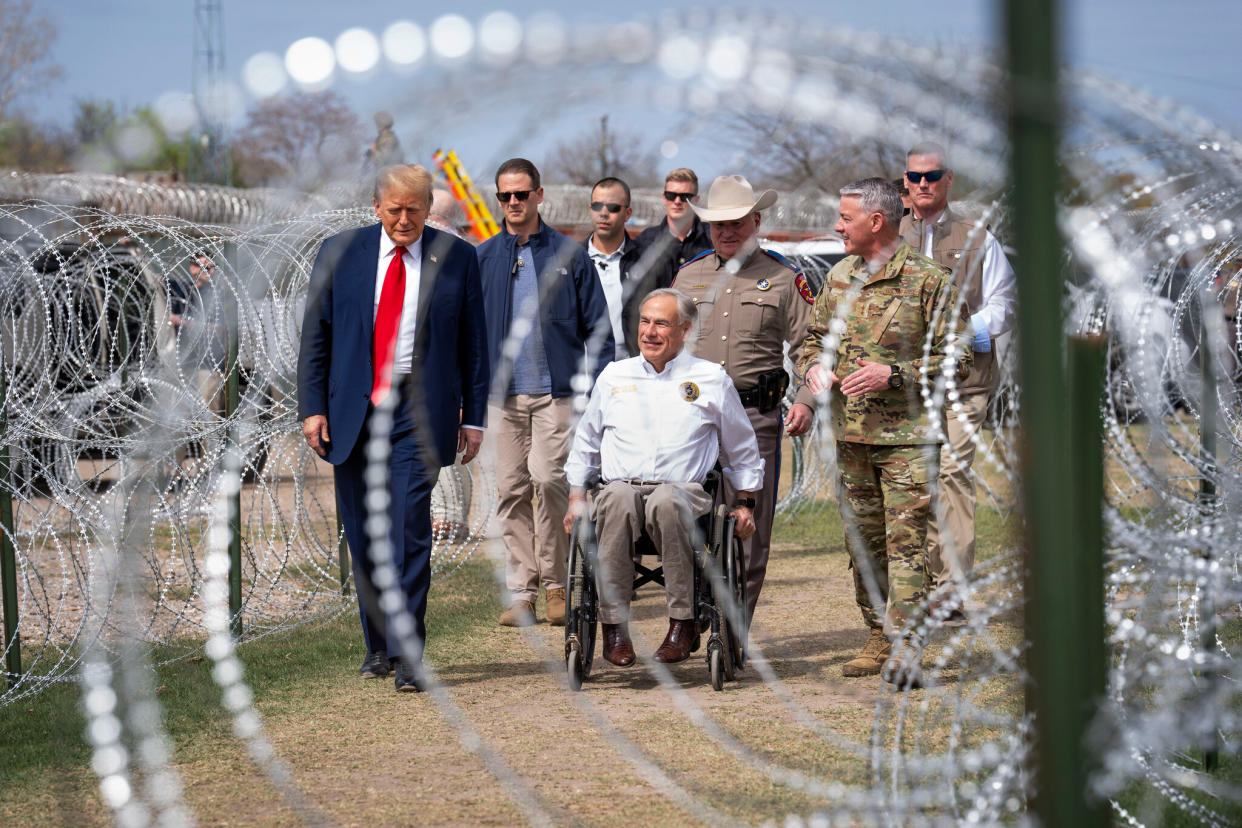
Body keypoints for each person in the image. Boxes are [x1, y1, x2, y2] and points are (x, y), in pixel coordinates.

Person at [297, 164, 488, 692]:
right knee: (363, 532)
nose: (404, 220)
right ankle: (377, 644)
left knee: (408, 528)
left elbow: (475, 345)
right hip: (353, 409)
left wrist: (473, 417)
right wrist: (312, 407)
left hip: (418, 410)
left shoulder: (457, 259)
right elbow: (317, 335)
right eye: (395, 210)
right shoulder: (341, 252)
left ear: (430, 210)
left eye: (415, 210)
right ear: (376, 208)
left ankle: (409, 653)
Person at [799, 177, 971, 689]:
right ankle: (878, 634)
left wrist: (894, 374)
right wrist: (813, 370)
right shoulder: (839, 277)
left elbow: (959, 357)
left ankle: (909, 645)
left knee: (907, 544)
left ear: (876, 221)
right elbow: (811, 341)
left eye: (845, 218)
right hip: (850, 437)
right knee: (864, 543)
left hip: (908, 440)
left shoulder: (928, 281)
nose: (837, 226)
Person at [563, 289, 763, 665]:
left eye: (661, 323)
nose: (650, 331)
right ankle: (615, 628)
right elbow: (586, 442)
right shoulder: (614, 376)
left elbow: (741, 445)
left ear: (685, 330)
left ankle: (682, 623)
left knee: (667, 501)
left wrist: (746, 502)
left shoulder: (710, 378)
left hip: (684, 493)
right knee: (618, 499)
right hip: (620, 489)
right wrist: (576, 497)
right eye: (644, 321)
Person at [673, 174, 817, 624]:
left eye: (736, 222)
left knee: (748, 525)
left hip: (755, 417)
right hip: (692, 419)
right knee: (681, 516)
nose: (727, 232)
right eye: (718, 225)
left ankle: (733, 627)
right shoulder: (687, 275)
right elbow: (666, 347)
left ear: (755, 220)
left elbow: (811, 346)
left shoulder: (782, 278)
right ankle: (689, 614)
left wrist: (808, 399)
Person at [477, 158, 614, 628]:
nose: (513, 203)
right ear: (499, 200)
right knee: (510, 490)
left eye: (521, 194)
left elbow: (598, 328)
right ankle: (523, 593)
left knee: (550, 481)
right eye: (505, 196)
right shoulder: (484, 258)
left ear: (539, 195)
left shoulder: (570, 256)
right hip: (503, 400)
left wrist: (597, 394)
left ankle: (558, 584)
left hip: (556, 394)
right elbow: (470, 335)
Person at [899, 142, 1017, 611]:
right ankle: (918, 584)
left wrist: (966, 336)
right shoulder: (886, 235)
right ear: (905, 182)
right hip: (903, 382)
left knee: (950, 472)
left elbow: (1005, 302)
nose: (923, 184)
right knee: (913, 479)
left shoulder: (978, 238)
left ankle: (951, 588)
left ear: (949, 179)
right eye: (915, 177)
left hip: (964, 381)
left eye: (932, 176)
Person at [584, 176, 647, 358]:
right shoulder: (571, 261)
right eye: (597, 206)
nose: (603, 213)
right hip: (582, 373)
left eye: (613, 207)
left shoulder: (647, 261)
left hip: (632, 370)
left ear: (627, 213)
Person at [634, 168, 712, 289]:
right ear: (664, 198)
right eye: (671, 195)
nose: (677, 201)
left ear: (696, 200)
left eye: (684, 197)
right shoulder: (644, 242)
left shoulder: (713, 239)